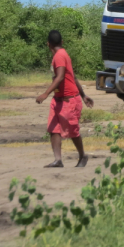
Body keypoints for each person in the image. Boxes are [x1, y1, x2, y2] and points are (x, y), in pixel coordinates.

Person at [36, 30, 94, 168]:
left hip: (69, 101)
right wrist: (84, 95)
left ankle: (82, 156)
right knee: (54, 129)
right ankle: (58, 160)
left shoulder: (59, 56)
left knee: (73, 131)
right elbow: (72, 77)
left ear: (48, 44)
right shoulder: (62, 55)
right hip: (58, 100)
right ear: (61, 42)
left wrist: (45, 93)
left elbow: (61, 76)